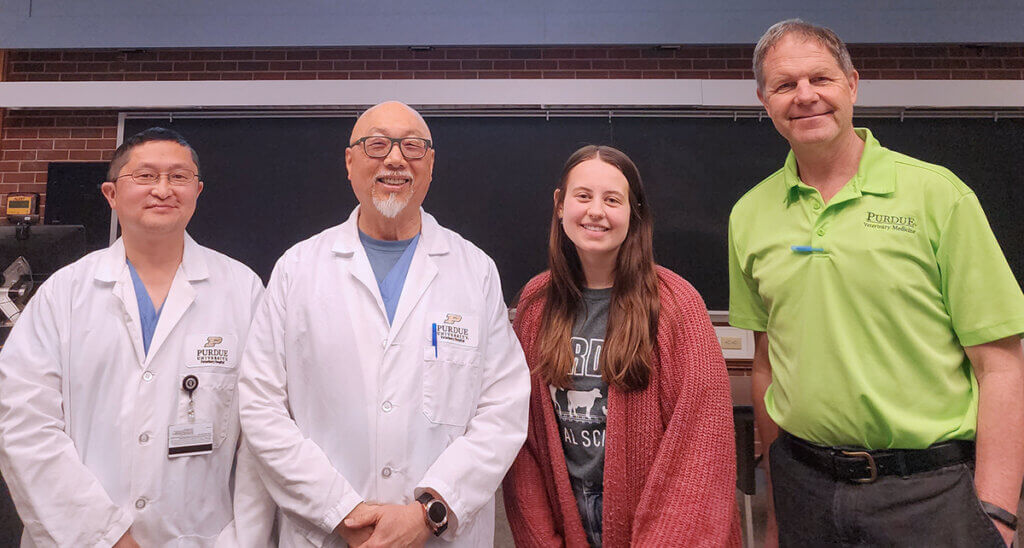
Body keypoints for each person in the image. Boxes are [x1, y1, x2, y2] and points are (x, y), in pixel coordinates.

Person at [729, 19, 1024, 547]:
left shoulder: (938, 198)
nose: (805, 96)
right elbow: (768, 361)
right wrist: (779, 509)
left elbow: (1001, 363)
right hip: (805, 491)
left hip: (928, 496)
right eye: (784, 85)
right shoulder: (749, 215)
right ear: (763, 100)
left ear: (853, 85)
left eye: (820, 78)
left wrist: (996, 515)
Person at [236, 101, 530, 547]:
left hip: (438, 534)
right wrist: (341, 510)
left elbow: (503, 408)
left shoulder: (474, 271)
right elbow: (261, 406)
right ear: (350, 162)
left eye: (412, 147)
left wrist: (431, 509)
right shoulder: (298, 269)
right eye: (377, 145)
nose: (395, 159)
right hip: (329, 532)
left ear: (430, 165)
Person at [0, 128, 266, 546]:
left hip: (203, 536)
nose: (163, 189)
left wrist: (242, 538)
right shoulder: (64, 293)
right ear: (111, 193)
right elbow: (24, 424)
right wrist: (104, 535)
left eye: (179, 177)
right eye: (145, 176)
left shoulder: (242, 290)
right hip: (77, 536)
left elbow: (261, 430)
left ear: (197, 191)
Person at [503, 145, 740, 547]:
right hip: (570, 520)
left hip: (665, 531)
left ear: (634, 213)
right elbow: (522, 442)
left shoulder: (676, 305)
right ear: (560, 205)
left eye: (612, 199)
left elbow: (702, 451)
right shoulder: (534, 304)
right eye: (583, 196)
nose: (596, 211)